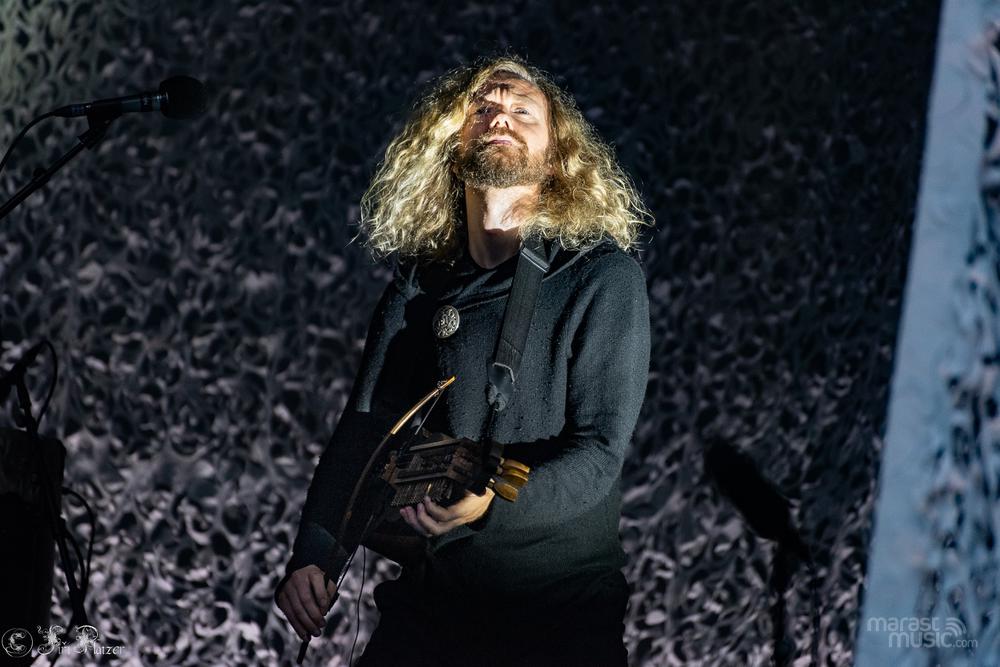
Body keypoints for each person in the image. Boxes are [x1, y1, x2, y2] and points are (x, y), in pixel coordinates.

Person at [275, 55, 652, 666]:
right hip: (433, 607)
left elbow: (599, 452)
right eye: (483, 107)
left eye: (523, 111)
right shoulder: (420, 283)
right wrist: (314, 555)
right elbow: (365, 428)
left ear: (556, 157)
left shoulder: (601, 278)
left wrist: (491, 499)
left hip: (557, 619)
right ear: (451, 144)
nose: (500, 118)